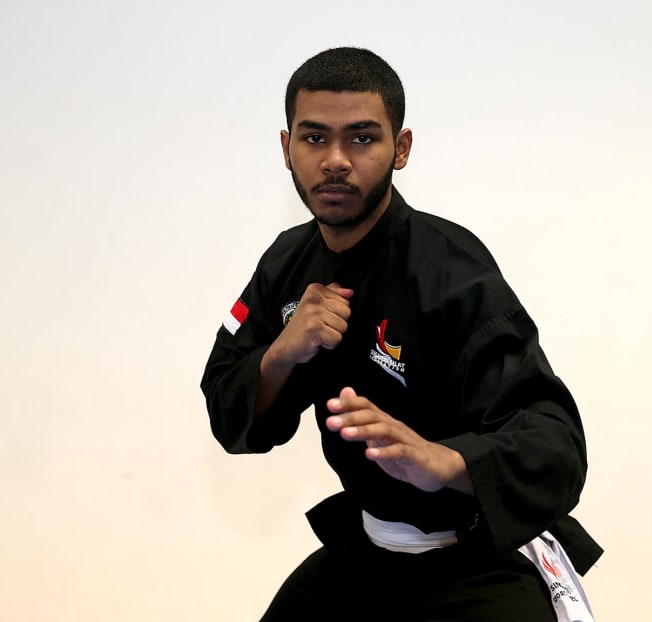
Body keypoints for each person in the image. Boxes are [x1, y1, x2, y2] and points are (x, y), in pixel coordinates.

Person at [200, 46, 602, 621]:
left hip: (479, 560)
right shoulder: (287, 262)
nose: (335, 160)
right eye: (314, 139)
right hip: (366, 554)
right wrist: (281, 355)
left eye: (361, 138)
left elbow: (555, 445)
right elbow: (225, 403)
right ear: (287, 149)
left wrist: (442, 460)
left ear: (402, 148)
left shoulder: (451, 272)